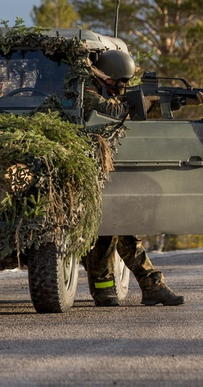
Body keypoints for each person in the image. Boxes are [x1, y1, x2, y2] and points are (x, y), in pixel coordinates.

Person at [83, 49, 185, 307]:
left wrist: (171, 103)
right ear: (105, 76)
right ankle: (111, 288)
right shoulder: (86, 91)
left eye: (127, 82)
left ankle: (149, 285)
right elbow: (110, 110)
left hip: (113, 168)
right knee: (105, 229)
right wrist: (141, 102)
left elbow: (133, 112)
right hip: (90, 168)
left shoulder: (114, 91)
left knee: (120, 227)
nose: (124, 86)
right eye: (120, 81)